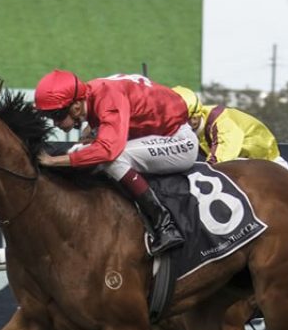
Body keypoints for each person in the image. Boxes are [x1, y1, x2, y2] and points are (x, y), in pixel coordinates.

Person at [34, 70, 199, 256]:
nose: (55, 123)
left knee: (113, 159)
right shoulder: (93, 92)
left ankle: (164, 225)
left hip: (180, 141)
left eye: (57, 116)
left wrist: (55, 161)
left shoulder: (106, 97)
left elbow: (107, 151)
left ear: (76, 108)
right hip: (159, 133)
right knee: (91, 148)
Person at [171, 86, 288, 170]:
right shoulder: (189, 123)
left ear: (195, 116)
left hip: (269, 168)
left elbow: (219, 162)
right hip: (241, 167)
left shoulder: (222, 122)